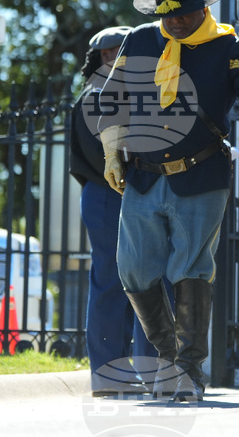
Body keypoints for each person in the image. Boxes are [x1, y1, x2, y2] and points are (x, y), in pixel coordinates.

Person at [99, 0, 239, 402]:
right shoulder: (139, 40)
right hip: (144, 177)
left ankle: (188, 372)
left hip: (202, 175)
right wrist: (112, 152)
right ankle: (171, 357)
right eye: (167, 14)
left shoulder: (228, 45)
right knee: (133, 271)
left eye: (182, 15)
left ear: (201, 9)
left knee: (191, 270)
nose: (174, 22)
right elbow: (111, 97)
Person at [70, 25, 167, 396]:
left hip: (139, 193)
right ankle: (109, 375)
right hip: (107, 194)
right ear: (99, 58)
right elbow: (105, 156)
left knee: (148, 282)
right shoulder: (94, 96)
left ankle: (150, 371)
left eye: (121, 52)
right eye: (109, 53)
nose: (115, 59)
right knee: (111, 280)